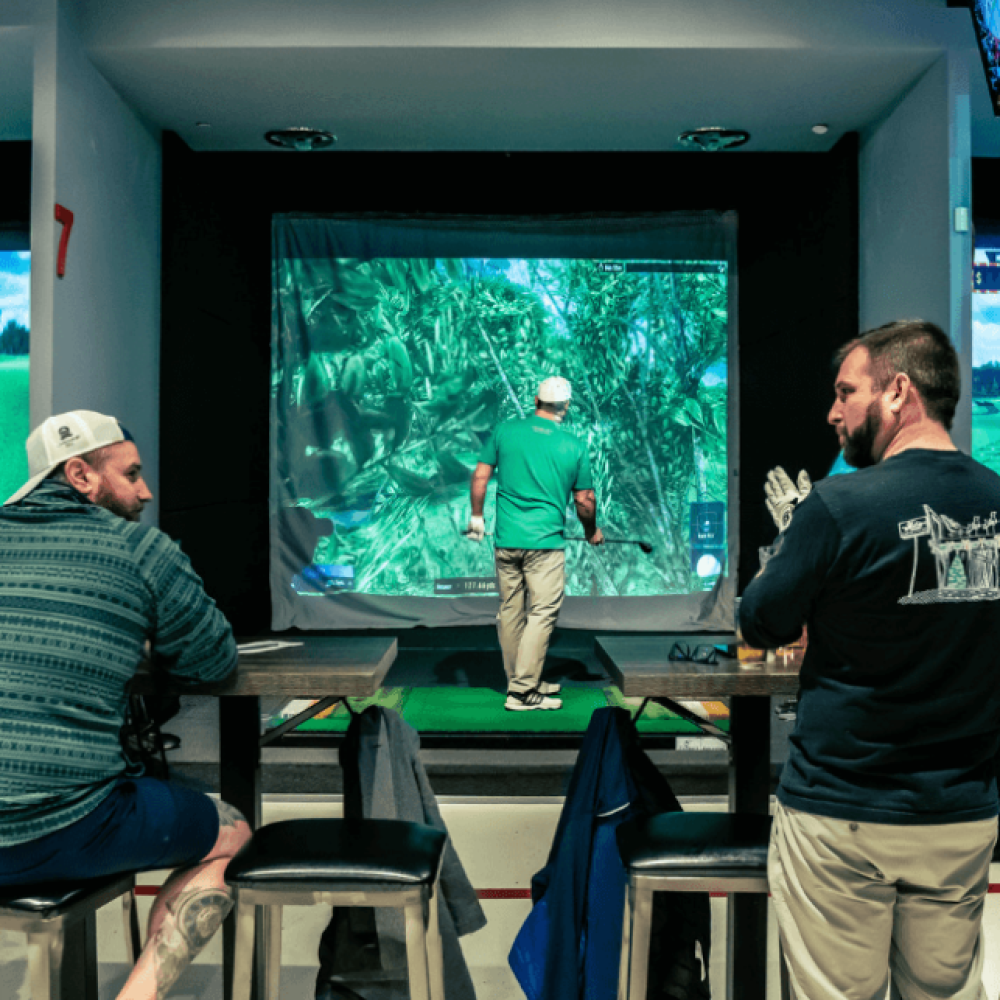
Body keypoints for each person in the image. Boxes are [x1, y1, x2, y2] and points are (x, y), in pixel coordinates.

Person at [739, 321, 1000, 1000]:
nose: (834, 412)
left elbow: (761, 621)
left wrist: (796, 540)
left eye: (846, 392)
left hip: (844, 814)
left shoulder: (836, 506)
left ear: (898, 392)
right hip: (960, 813)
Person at [0, 410, 251, 1000]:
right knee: (233, 830)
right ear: (80, 475)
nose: (146, 491)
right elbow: (213, 662)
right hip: (60, 828)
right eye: (132, 474)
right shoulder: (138, 547)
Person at [468, 377, 604, 711]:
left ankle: (520, 680)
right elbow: (585, 500)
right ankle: (522, 692)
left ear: (535, 401)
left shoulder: (505, 431)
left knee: (511, 611)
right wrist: (591, 531)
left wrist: (477, 516)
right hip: (545, 544)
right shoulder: (573, 445)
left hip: (506, 541)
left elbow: (481, 476)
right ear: (566, 406)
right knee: (542, 613)